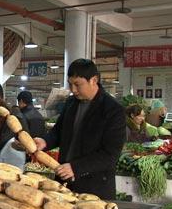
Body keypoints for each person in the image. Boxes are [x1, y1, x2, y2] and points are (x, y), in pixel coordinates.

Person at [33, 59, 126, 199]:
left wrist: (76, 168)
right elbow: (58, 132)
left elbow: (110, 155)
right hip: (65, 183)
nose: (73, 90)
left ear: (94, 80)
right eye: (70, 84)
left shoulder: (112, 110)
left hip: (94, 187)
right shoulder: (71, 103)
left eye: (78, 84)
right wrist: (45, 142)